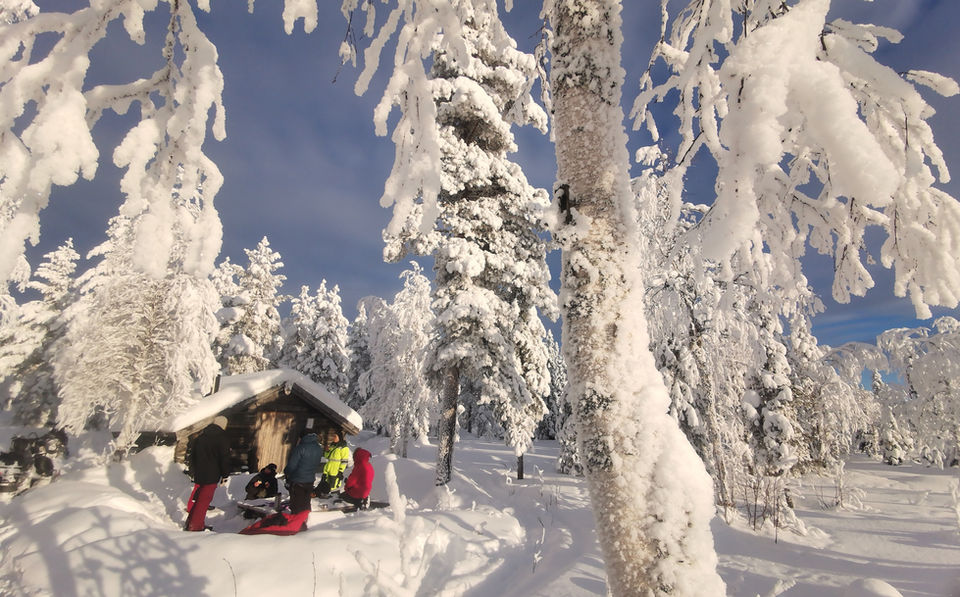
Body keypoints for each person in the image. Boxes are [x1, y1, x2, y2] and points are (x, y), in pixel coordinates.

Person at [185, 415, 230, 531]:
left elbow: (192, 456)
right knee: (204, 500)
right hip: (212, 474)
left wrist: (193, 471)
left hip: (199, 473)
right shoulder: (222, 438)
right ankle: (195, 526)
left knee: (199, 498)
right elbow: (224, 458)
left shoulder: (200, 437)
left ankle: (191, 522)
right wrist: (225, 475)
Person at [283, 430, 324, 514]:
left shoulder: (300, 448)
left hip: (298, 480)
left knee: (296, 505)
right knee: (306, 503)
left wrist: (286, 472)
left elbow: (291, 465)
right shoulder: (318, 448)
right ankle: (307, 520)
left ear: (302, 437)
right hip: (310, 480)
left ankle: (297, 523)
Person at [314, 430, 350, 498]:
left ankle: (331, 497)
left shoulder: (344, 447)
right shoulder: (333, 445)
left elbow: (344, 461)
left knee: (333, 485)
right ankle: (323, 495)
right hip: (327, 468)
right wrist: (327, 451)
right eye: (333, 436)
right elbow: (327, 456)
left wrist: (340, 471)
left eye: (335, 436)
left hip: (335, 470)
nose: (334, 438)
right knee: (324, 483)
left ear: (339, 437)